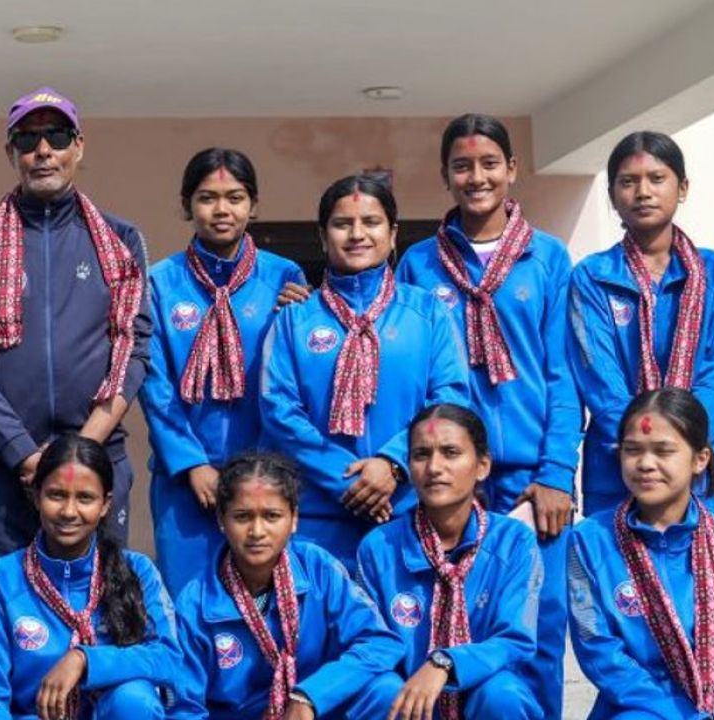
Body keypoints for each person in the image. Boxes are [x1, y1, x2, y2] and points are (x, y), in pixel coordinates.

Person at [394, 113, 580, 718]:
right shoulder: (419, 263)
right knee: (451, 619)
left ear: (512, 169)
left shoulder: (547, 258)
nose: (477, 177)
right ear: (445, 175)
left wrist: (556, 474)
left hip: (530, 479)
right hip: (449, 471)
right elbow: (412, 372)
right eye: (462, 166)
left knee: (539, 623)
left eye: (489, 164)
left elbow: (562, 374)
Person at [0, 87, 152, 571]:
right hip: (4, 468)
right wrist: (25, 455)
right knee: (6, 602)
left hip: (96, 461)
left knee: (103, 599)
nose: (43, 150)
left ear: (78, 146)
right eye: (28, 139)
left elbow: (133, 350)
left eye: (57, 136)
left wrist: (80, 451)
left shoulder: (121, 240)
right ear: (10, 152)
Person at [260, 174, 470, 566]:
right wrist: (348, 478)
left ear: (393, 234)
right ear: (323, 237)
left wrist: (393, 464)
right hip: (317, 517)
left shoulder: (428, 313)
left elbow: (450, 399)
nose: (357, 234)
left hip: (408, 507)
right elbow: (279, 412)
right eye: (343, 224)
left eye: (371, 222)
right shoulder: (294, 320)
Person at [141, 148, 307, 592]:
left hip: (265, 476)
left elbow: (289, 379)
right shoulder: (159, 283)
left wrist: (260, 467)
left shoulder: (284, 276)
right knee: (189, 597)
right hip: (185, 481)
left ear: (254, 206)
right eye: (207, 198)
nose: (221, 210)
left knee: (268, 596)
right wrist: (191, 463)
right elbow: (155, 384)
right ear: (186, 205)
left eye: (234, 197)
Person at [567, 131, 714, 516]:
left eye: (657, 179)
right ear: (612, 195)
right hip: (622, 465)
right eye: (628, 182)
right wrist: (648, 447)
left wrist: (683, 445)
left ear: (683, 188)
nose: (643, 192)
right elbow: (599, 379)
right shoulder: (592, 277)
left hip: (708, 465)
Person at [169, 453, 403, 720]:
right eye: (242, 517)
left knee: (386, 690)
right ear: (222, 520)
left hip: (313, 711)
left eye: (272, 516)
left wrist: (311, 695)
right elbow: (184, 709)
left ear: (293, 520)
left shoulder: (318, 568)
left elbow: (380, 643)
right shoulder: (196, 604)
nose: (257, 531)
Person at [0, 434, 179, 720]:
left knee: (134, 699)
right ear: (36, 496)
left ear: (105, 504)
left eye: (85, 498)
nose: (69, 511)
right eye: (56, 495)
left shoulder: (138, 571)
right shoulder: (1, 579)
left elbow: (169, 658)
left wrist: (85, 660)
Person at [355, 404, 543, 720]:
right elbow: (369, 642)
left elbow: (515, 639)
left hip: (482, 699)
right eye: (421, 455)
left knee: (502, 693)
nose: (434, 467)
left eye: (451, 453)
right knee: (381, 690)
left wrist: (446, 663)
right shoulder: (379, 547)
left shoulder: (513, 541)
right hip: (409, 702)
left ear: (482, 466)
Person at [569, 388, 714, 718]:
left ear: (700, 459)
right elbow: (597, 648)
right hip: (637, 708)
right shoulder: (589, 541)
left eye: (664, 451)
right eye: (632, 450)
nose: (646, 464)